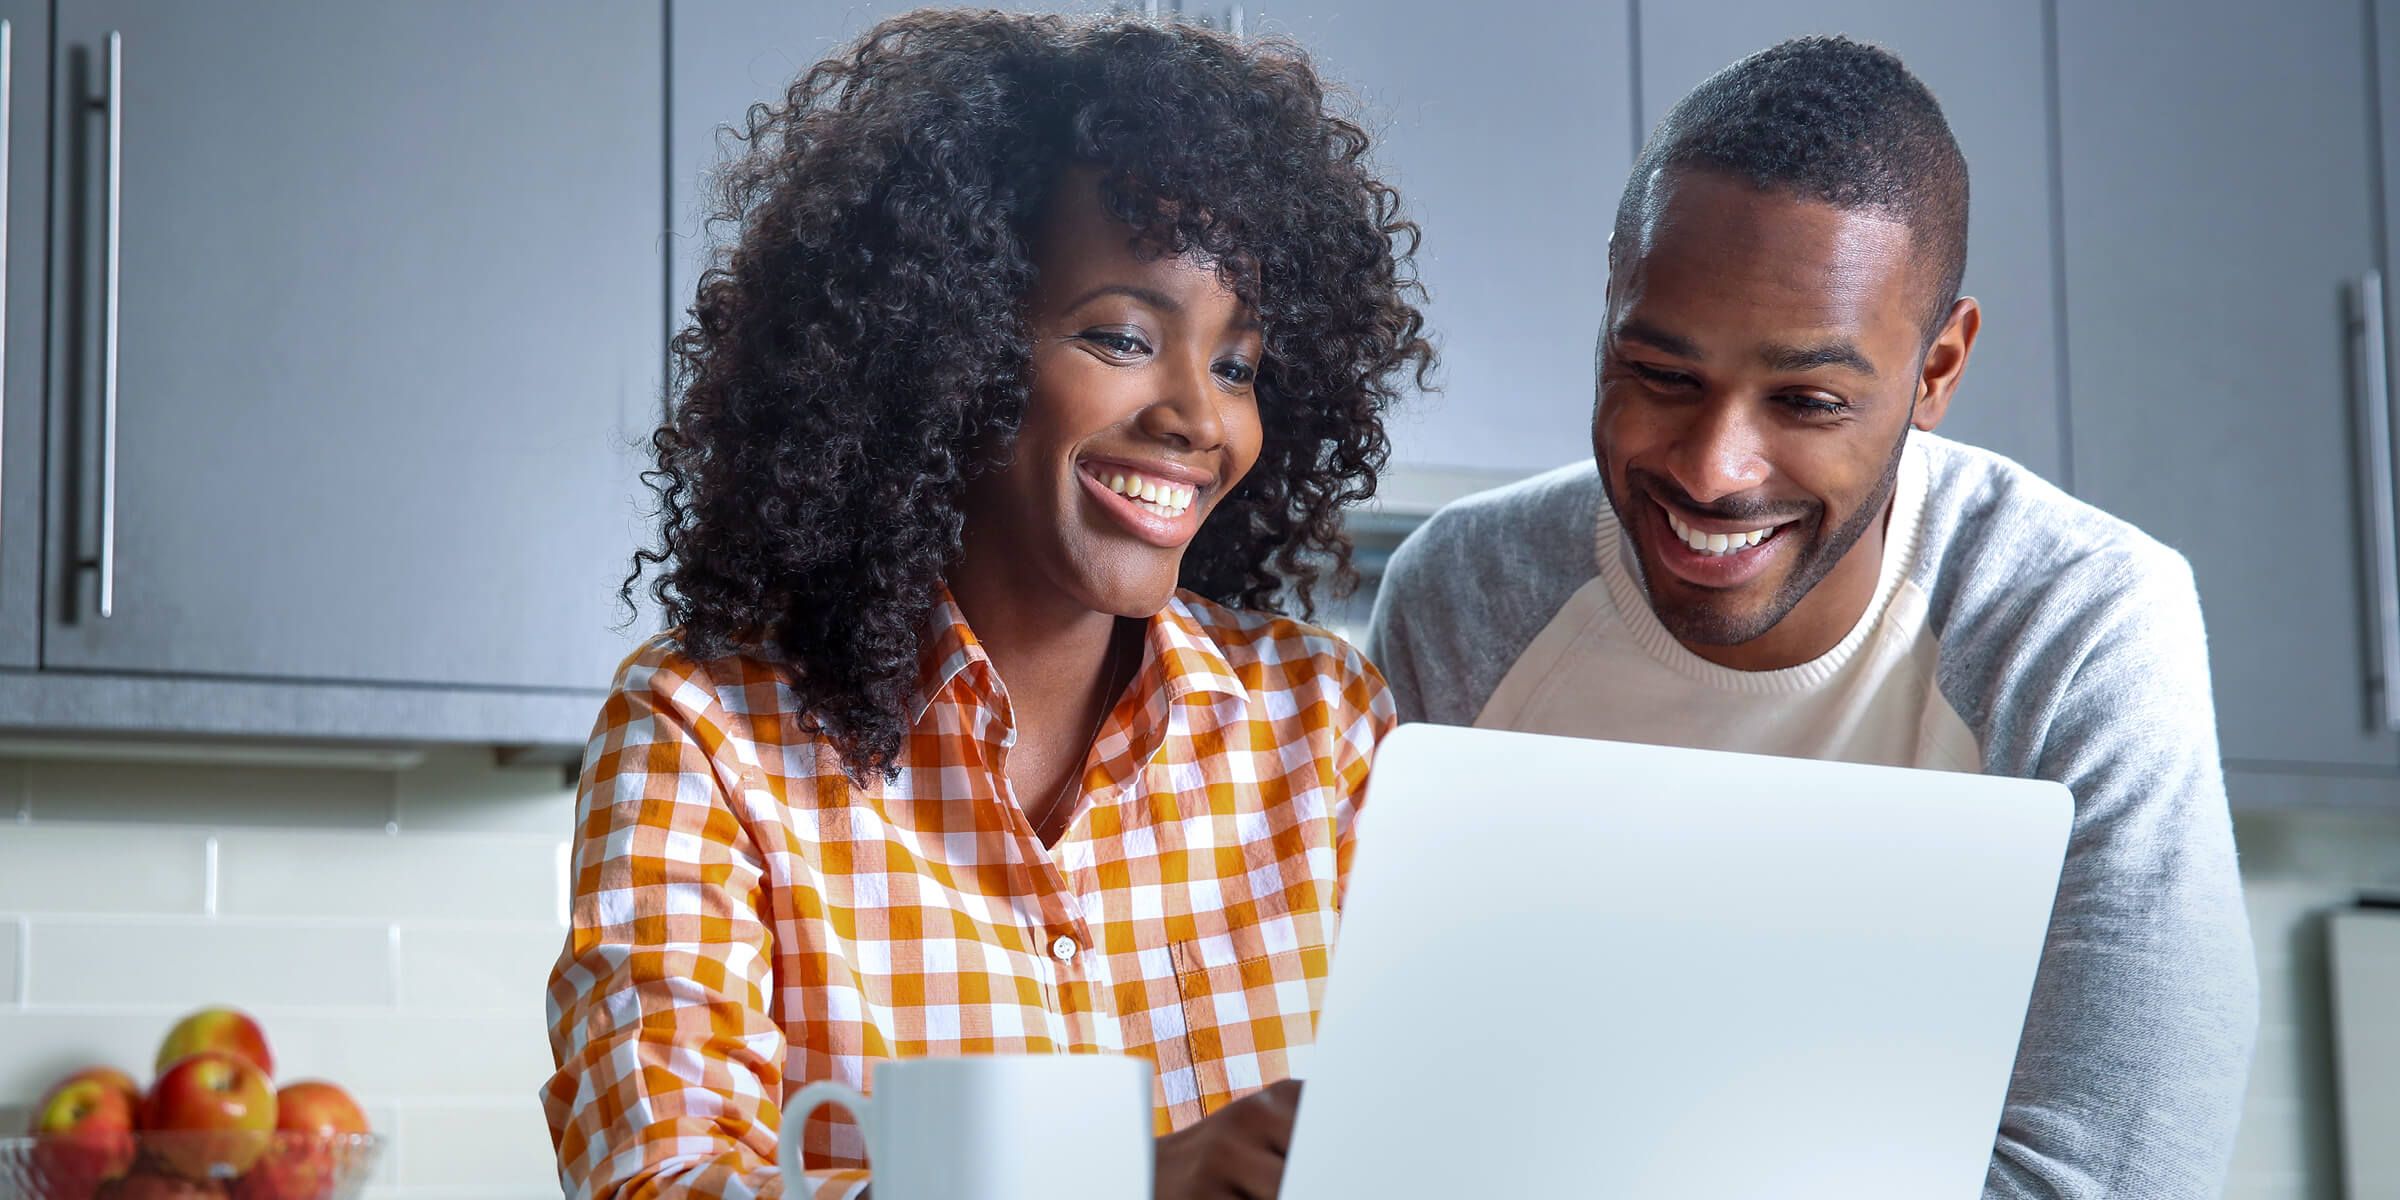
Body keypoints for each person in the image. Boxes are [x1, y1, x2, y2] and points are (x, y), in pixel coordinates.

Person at [542, 11, 1430, 1200]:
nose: (1200, 420)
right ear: (938, 349)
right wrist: (1132, 1187)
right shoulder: (705, 735)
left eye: (1236, 366)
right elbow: (658, 1180)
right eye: (1121, 336)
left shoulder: (1323, 726)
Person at [1367, 36, 2256, 1197]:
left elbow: (2111, 1176)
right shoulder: (1464, 595)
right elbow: (1400, 1104)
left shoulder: (2075, 622)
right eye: (1662, 375)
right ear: (1609, 309)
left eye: (1808, 400)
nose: (1714, 468)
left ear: (1937, 369)